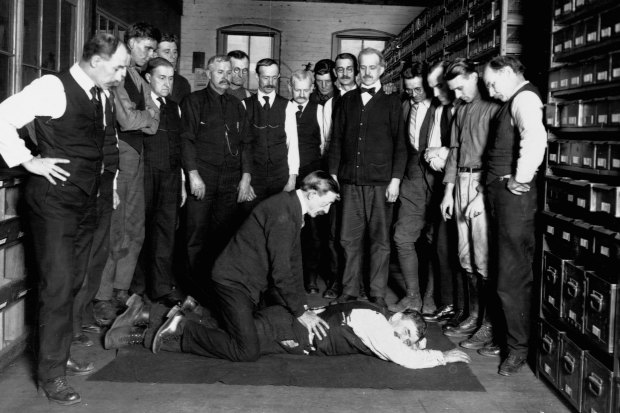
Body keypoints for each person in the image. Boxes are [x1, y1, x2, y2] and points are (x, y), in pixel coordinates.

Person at [0, 33, 130, 405]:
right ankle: (51, 375)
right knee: (57, 288)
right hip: (54, 202)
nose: (122, 74)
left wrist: (110, 186)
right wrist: (29, 160)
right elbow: (2, 117)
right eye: (118, 66)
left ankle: (58, 354)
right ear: (95, 60)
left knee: (75, 283)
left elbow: (101, 145)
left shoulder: (100, 94)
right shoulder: (52, 87)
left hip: (88, 200)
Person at [115, 171, 340, 362]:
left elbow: (294, 264)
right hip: (232, 282)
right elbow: (281, 272)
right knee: (246, 350)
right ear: (311, 194)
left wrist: (302, 305)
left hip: (246, 283)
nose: (326, 210)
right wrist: (301, 312)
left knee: (235, 327)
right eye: (327, 202)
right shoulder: (283, 212)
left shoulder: (292, 208)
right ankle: (181, 328)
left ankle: (152, 313)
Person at [105, 294, 471, 370]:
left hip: (288, 325)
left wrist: (419, 341)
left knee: (233, 330)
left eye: (408, 336)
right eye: (405, 329)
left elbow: (404, 346)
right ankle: (174, 328)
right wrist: (439, 356)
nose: (402, 339)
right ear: (398, 316)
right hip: (288, 329)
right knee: (239, 349)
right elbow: (402, 357)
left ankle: (152, 313)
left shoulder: (373, 310)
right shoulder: (376, 322)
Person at [479, 56, 546, 376]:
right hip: (501, 200)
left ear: (508, 73)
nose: (490, 91)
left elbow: (535, 138)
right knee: (503, 274)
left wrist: (521, 176)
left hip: (513, 201)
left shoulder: (526, 98)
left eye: (493, 83)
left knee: (512, 277)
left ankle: (518, 350)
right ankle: (510, 342)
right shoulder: (512, 100)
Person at [328, 48, 407, 309]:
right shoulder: (346, 100)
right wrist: (333, 175)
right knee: (347, 239)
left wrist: (395, 180)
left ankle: (377, 293)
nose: (367, 72)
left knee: (380, 241)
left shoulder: (392, 102)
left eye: (372, 67)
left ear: (382, 69)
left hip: (381, 183)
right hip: (350, 182)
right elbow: (336, 141)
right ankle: (349, 290)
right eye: (362, 67)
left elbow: (400, 145)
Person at [94, 22, 162, 318]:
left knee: (135, 227)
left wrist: (145, 116)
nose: (151, 53)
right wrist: (145, 116)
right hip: (120, 159)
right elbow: (126, 120)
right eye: (147, 47)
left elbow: (155, 118)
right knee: (116, 228)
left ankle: (121, 288)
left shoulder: (137, 77)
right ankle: (102, 296)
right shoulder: (118, 75)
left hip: (137, 157)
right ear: (131, 42)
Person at [439, 59, 499, 346]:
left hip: (481, 185)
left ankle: (488, 324)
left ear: (475, 77)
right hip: (461, 182)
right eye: (453, 90)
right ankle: (474, 316)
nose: (458, 95)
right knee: (465, 258)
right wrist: (448, 192)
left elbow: (497, 158)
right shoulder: (460, 110)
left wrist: (481, 194)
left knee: (484, 260)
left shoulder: (494, 107)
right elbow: (454, 151)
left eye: (461, 88)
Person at [181, 55, 252, 283]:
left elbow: (246, 143)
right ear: (208, 74)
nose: (225, 77)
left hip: (230, 180)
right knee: (195, 234)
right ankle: (194, 288)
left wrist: (246, 177)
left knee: (223, 236)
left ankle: (216, 286)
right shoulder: (194, 101)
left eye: (228, 72)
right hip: (203, 177)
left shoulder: (236, 105)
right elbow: (186, 140)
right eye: (219, 72)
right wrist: (193, 175)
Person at [138, 57, 187, 303]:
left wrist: (182, 183)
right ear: (149, 78)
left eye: (170, 78)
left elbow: (179, 146)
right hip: (145, 175)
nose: (167, 83)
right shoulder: (139, 105)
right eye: (161, 77)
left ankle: (160, 288)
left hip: (170, 178)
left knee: (165, 234)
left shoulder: (174, 107)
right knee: (140, 232)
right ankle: (135, 289)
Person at [391, 62, 435, 314]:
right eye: (409, 90)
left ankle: (430, 297)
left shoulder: (443, 106)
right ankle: (412, 295)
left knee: (435, 242)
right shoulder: (405, 105)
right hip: (412, 180)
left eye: (418, 89)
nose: (413, 94)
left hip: (440, 182)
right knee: (402, 238)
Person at [421, 61, 463, 326]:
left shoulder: (465, 107)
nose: (435, 94)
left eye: (439, 86)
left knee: (463, 253)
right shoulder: (440, 110)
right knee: (442, 246)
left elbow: (463, 151)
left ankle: (462, 309)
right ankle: (448, 304)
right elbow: (430, 151)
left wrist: (444, 155)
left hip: (468, 187)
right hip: (445, 185)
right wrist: (441, 155)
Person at [321, 52, 359, 300]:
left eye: (349, 69)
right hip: (336, 176)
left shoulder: (365, 100)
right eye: (340, 70)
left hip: (359, 177)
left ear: (356, 71)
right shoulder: (329, 104)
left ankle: (356, 284)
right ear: (335, 73)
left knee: (356, 233)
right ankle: (336, 281)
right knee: (335, 232)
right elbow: (328, 140)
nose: (344, 74)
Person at [288, 70, 329, 294]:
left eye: (306, 90)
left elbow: (323, 143)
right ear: (290, 89)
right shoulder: (285, 109)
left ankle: (311, 278)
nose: (302, 94)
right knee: (292, 228)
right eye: (297, 90)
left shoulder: (319, 110)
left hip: (312, 177)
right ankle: (291, 277)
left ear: (312, 88)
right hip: (290, 178)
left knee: (313, 231)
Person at [242, 58, 299, 210]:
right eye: (266, 77)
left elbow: (292, 145)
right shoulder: (245, 105)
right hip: (254, 179)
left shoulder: (287, 106)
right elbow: (243, 146)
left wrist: (292, 180)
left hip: (280, 178)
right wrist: (245, 181)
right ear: (257, 76)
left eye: (274, 77)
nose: (270, 82)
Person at [155, 33, 191, 104]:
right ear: (155, 55)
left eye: (175, 52)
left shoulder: (183, 83)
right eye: (167, 52)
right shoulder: (144, 81)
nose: (173, 56)